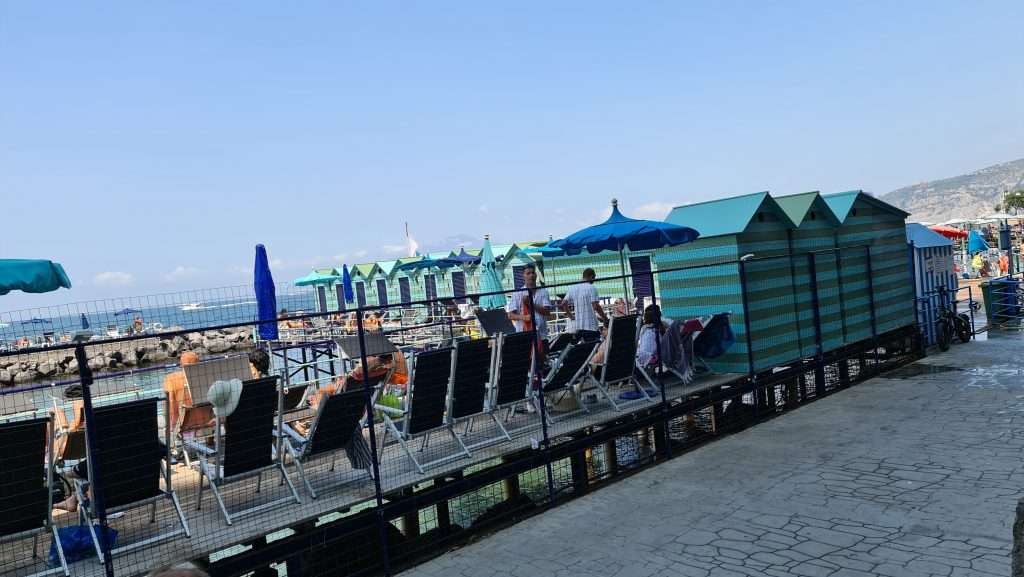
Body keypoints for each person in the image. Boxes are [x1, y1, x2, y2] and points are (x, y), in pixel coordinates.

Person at [505, 264, 553, 341]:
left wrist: (531, 304)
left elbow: (547, 312)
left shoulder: (544, 292)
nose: (531, 275)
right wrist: (524, 317)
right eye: (528, 273)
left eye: (533, 273)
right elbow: (510, 315)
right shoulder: (517, 293)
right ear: (523, 276)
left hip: (542, 335)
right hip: (524, 336)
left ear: (536, 275)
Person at [560, 268, 608, 342]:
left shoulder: (573, 288)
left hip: (578, 328)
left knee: (584, 351)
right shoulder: (591, 288)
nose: (594, 281)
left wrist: (571, 316)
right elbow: (595, 306)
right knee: (594, 349)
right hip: (591, 327)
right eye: (594, 278)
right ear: (591, 276)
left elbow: (563, 303)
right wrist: (605, 318)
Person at [163, 351, 201, 433]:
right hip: (207, 420)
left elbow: (171, 401)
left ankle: (172, 427)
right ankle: (210, 438)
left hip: (184, 421)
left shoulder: (171, 378)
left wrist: (172, 424)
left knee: (166, 401)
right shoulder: (204, 377)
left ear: (181, 363)